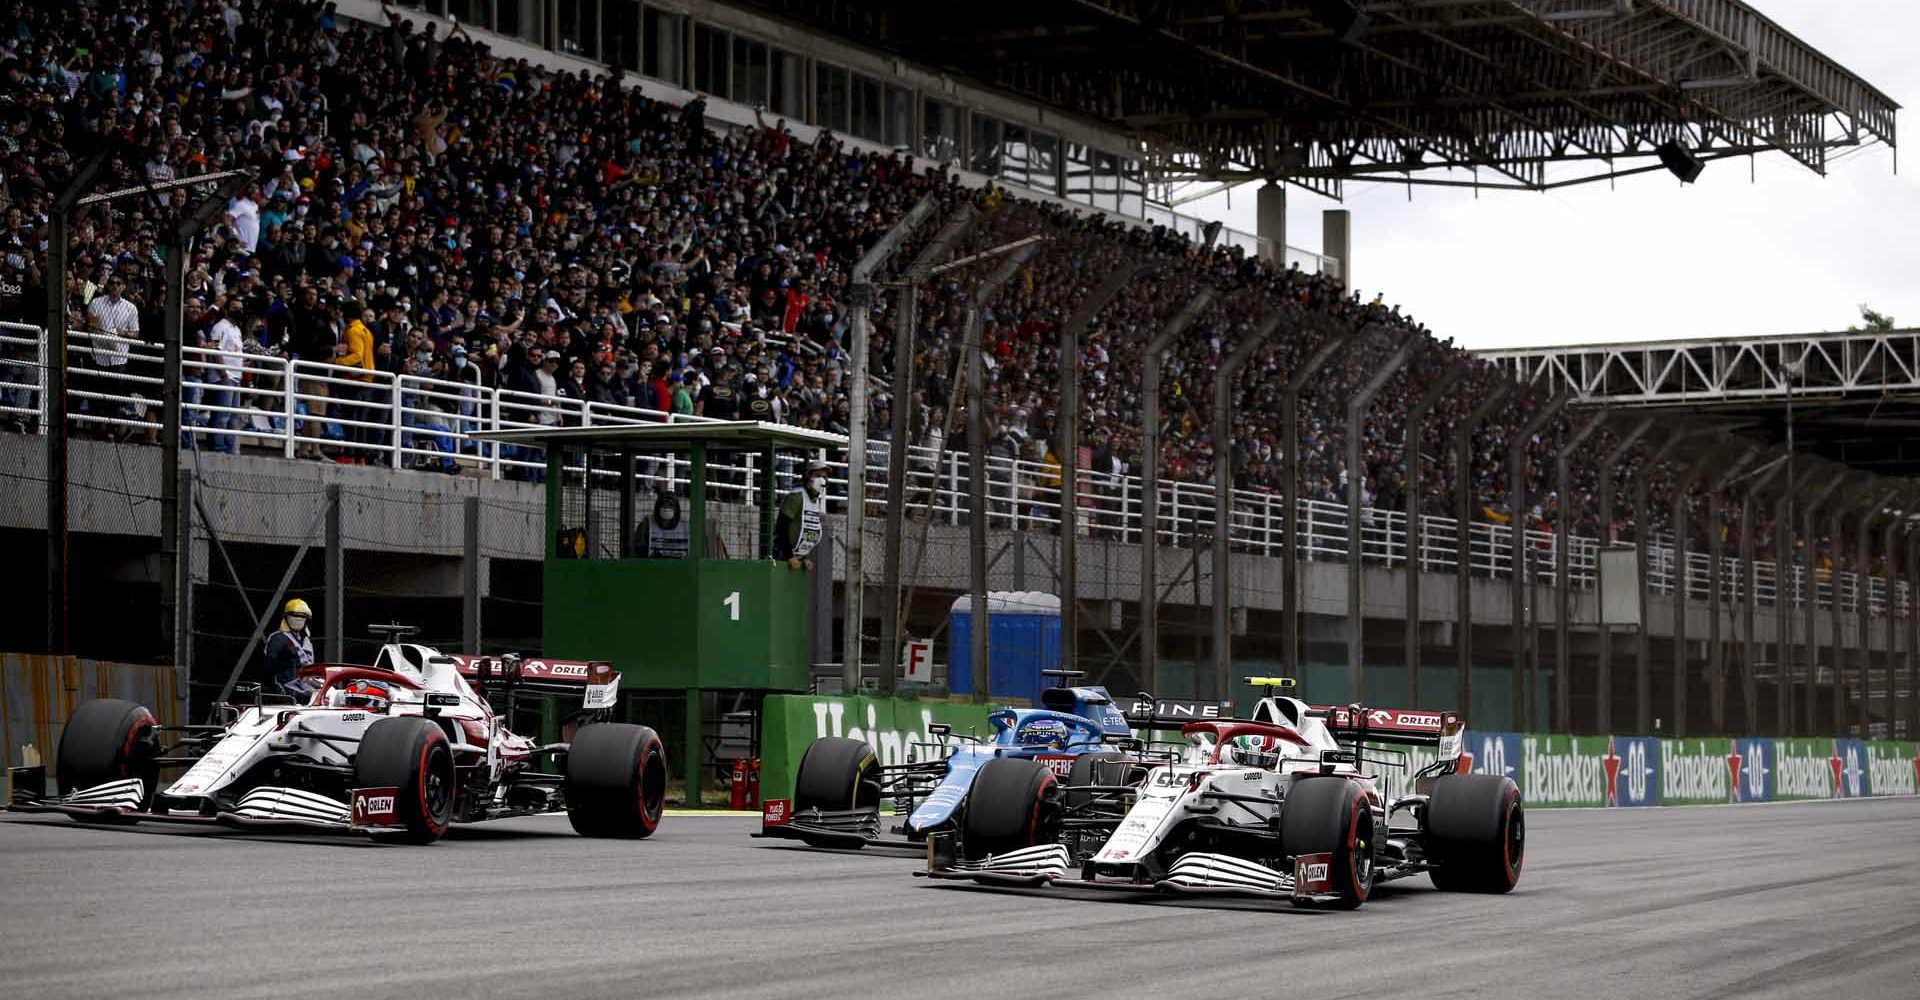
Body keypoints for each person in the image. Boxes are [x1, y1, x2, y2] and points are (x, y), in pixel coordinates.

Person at [771, 458, 829, 570]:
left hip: (796, 558)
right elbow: (781, 527)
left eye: (824, 477)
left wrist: (804, 557)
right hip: (783, 555)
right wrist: (790, 556)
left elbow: (806, 529)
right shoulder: (796, 497)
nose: (822, 480)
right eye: (818, 475)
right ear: (808, 476)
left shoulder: (815, 500)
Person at [264, 598, 317, 702]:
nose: (298, 619)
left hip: (306, 694)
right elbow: (268, 668)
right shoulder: (278, 638)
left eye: (302, 616)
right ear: (286, 617)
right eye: (294, 615)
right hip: (287, 695)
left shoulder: (306, 641)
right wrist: (277, 691)